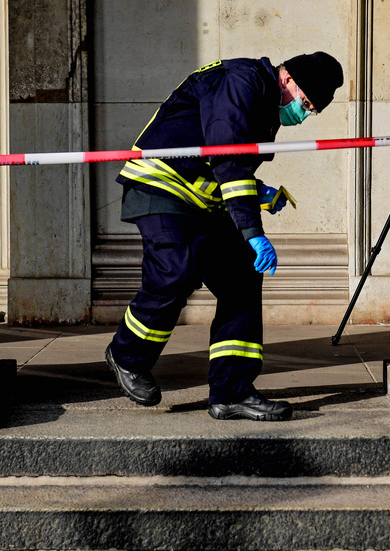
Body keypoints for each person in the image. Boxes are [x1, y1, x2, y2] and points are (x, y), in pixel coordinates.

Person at [105, 52, 344, 421]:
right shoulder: (244, 81)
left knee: (241, 279)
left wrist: (257, 191)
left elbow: (230, 167)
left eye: (310, 110)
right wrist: (253, 232)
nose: (303, 113)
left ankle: (232, 392)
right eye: (306, 102)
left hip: (201, 200)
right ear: (288, 80)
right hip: (161, 186)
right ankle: (127, 356)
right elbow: (226, 155)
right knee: (174, 271)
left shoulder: (263, 100)